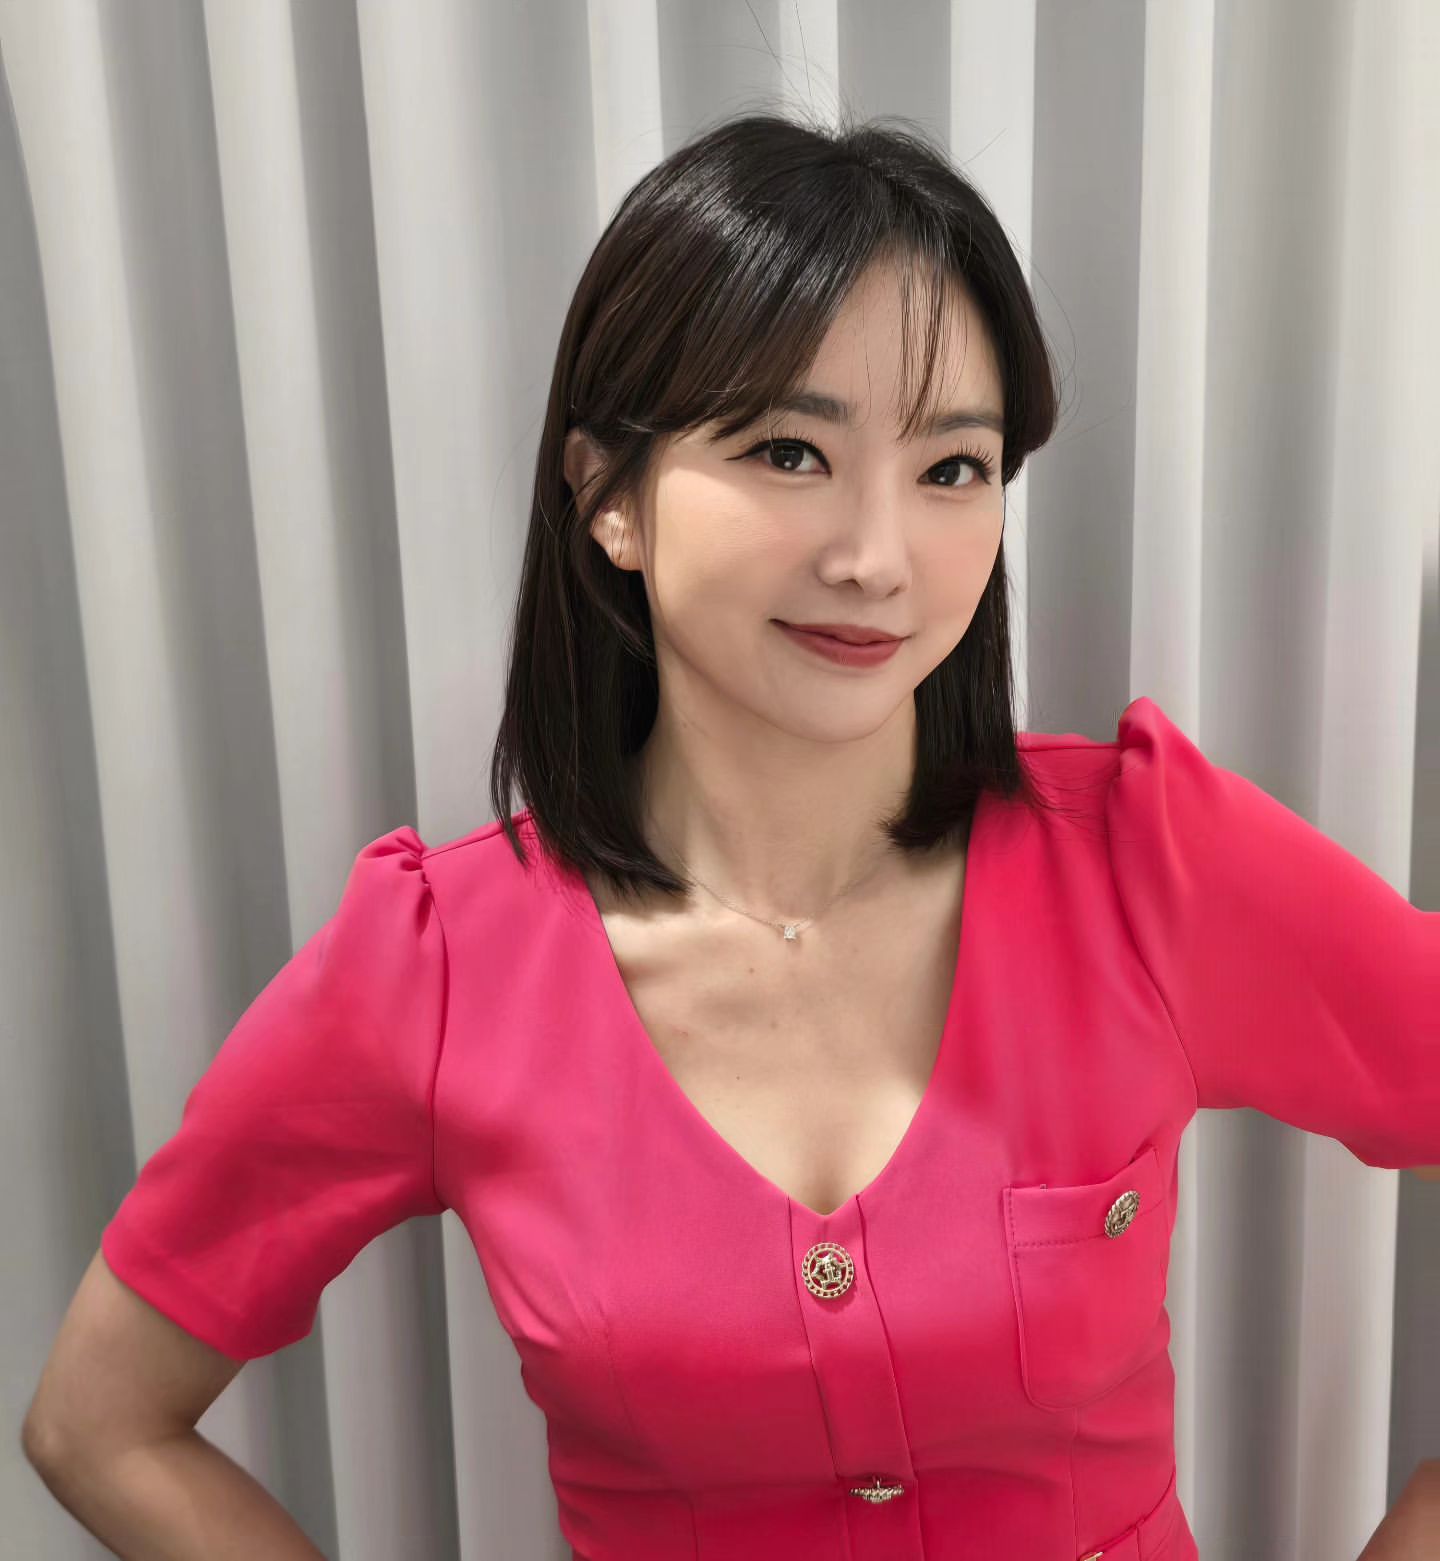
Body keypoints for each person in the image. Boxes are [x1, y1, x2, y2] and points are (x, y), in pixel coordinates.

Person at [22, 107, 1440, 1561]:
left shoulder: (1143, 866)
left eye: (953, 469)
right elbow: (99, 1422)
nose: (876, 557)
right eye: (788, 450)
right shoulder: (439, 970)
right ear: (609, 497)